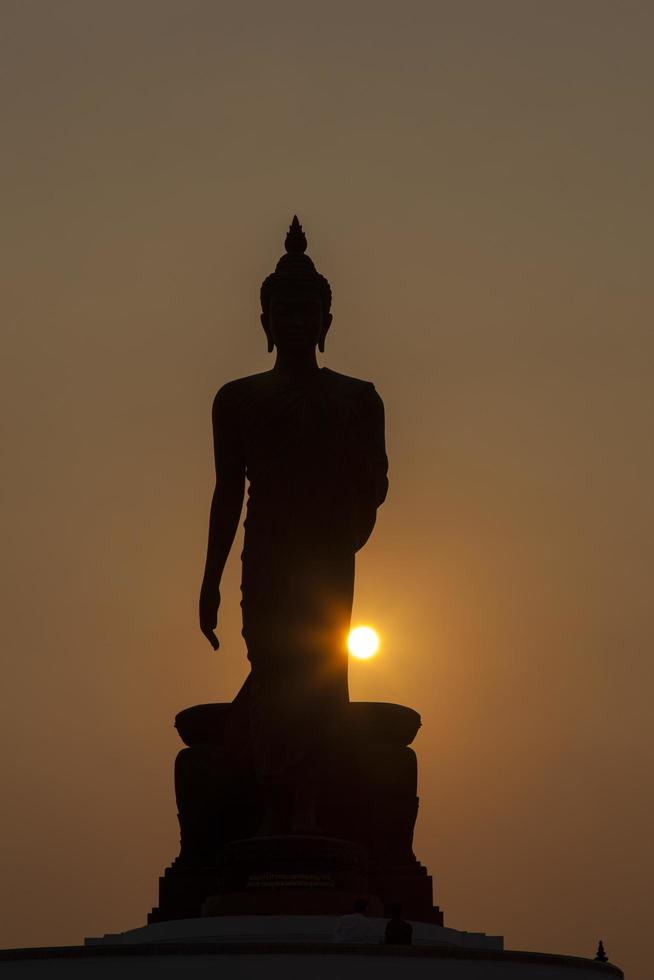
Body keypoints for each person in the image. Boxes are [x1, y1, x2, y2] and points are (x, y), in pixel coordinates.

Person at [199, 217, 388, 833]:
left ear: (328, 321)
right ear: (265, 320)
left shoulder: (357, 399)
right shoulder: (238, 398)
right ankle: (274, 803)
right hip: (268, 550)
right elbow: (228, 492)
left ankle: (305, 809)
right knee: (276, 666)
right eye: (285, 309)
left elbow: (373, 482)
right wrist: (210, 580)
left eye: (309, 310)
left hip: (326, 555)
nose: (297, 320)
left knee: (317, 672)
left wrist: (345, 527)